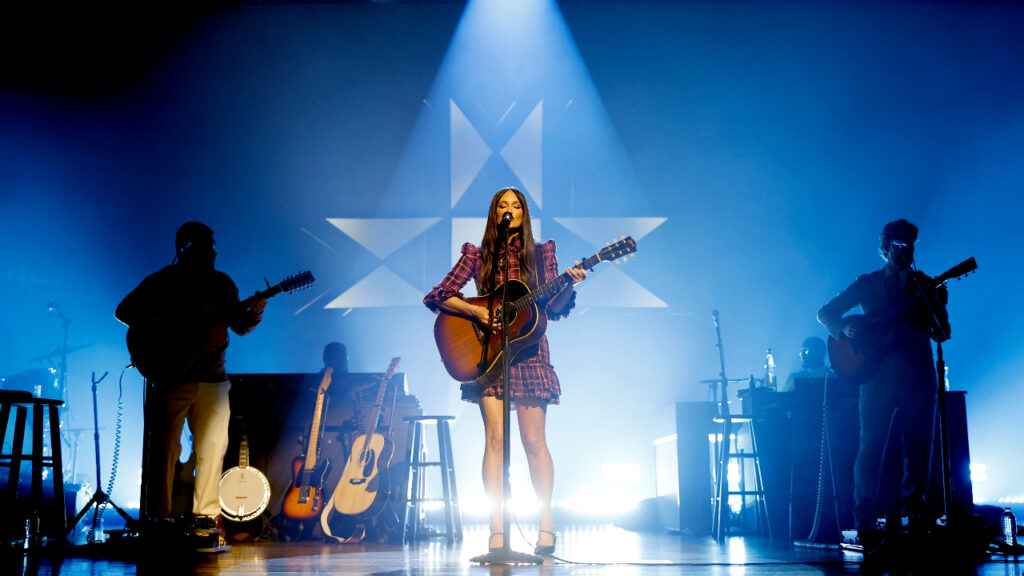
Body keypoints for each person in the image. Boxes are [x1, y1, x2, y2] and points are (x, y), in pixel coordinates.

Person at [423, 187, 586, 555]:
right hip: (489, 353)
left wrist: (570, 282)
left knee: (533, 441)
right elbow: (439, 295)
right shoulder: (478, 255)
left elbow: (555, 307)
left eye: (516, 205)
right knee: (495, 440)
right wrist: (477, 312)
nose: (509, 210)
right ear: (495, 213)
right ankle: (496, 526)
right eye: (502, 205)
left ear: (524, 214)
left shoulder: (541, 254)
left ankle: (546, 521)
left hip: (529, 351)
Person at [116, 221, 267, 543]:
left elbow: (240, 325)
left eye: (213, 245)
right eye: (206, 245)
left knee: (212, 452)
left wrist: (255, 311)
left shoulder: (221, 283)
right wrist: (172, 336)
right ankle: (158, 520)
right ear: (186, 248)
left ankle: (207, 520)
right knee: (164, 453)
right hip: (171, 378)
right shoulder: (163, 281)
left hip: (214, 381)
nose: (213, 251)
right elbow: (125, 311)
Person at [817, 219, 949, 555]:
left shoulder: (924, 285)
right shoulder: (867, 283)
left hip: (918, 376)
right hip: (875, 376)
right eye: (899, 245)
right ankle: (864, 521)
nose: (906, 251)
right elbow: (826, 312)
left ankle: (915, 517)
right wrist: (844, 329)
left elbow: (942, 333)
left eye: (911, 245)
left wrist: (937, 303)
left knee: (919, 448)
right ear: (886, 247)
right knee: (870, 447)